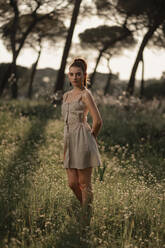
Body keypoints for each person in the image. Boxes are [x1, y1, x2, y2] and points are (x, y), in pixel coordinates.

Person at [61, 58, 102, 222]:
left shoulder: (86, 95)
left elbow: (97, 120)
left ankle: (86, 219)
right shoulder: (66, 96)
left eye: (78, 74)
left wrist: (90, 138)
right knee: (72, 183)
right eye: (71, 74)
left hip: (82, 138)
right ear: (68, 76)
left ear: (84, 75)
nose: (74, 77)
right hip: (68, 140)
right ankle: (87, 209)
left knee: (84, 184)